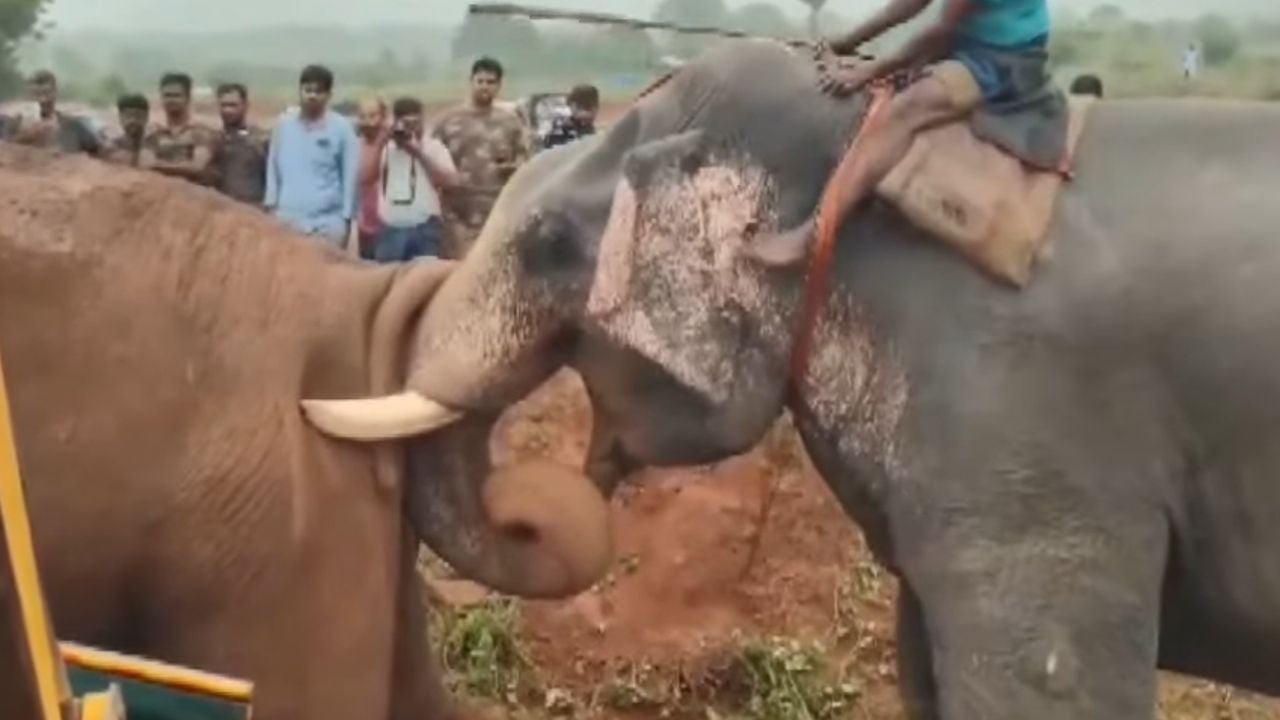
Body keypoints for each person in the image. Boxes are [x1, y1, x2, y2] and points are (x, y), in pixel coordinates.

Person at [749, 0, 1052, 265]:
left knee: (905, 110)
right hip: (974, 37)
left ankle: (813, 235)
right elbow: (911, 2)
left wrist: (867, 72)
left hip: (1001, 60)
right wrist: (846, 43)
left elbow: (942, 33)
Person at [431, 56, 531, 258]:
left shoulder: (510, 123)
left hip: (497, 214)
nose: (485, 87)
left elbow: (526, 164)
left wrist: (513, 167)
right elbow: (432, 164)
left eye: (491, 82)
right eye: (480, 81)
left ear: (499, 86)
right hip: (457, 217)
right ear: (471, 82)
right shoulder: (448, 122)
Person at [264, 64, 360, 248]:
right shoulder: (283, 125)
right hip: (287, 220)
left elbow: (350, 176)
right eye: (308, 90)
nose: (312, 96)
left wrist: (346, 219)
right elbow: (273, 167)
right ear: (300, 91)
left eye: (319, 91)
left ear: (329, 95)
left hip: (327, 223)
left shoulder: (342, 128)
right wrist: (271, 206)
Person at [370, 97, 459, 262]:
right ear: (395, 123)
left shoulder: (433, 147)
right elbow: (366, 178)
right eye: (406, 124)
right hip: (390, 228)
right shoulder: (385, 149)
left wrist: (418, 153)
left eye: (415, 123)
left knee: (424, 282)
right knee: (388, 283)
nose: (411, 129)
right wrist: (380, 142)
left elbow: (451, 182)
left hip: (424, 228)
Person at [139, 72, 216, 184]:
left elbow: (197, 167)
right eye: (167, 95)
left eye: (176, 95)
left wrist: (157, 165)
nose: (171, 100)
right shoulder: (153, 134)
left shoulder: (202, 133)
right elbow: (145, 164)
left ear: (188, 98)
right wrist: (183, 166)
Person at [4, 70, 102, 155]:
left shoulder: (75, 127)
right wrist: (24, 136)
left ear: (56, 94)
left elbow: (106, 155)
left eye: (46, 94)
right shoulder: (10, 126)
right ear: (27, 96)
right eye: (36, 95)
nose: (42, 100)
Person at [208, 82, 269, 206]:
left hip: (255, 210)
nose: (228, 110)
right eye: (224, 105)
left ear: (245, 106)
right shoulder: (213, 140)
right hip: (223, 210)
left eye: (233, 105)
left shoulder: (261, 140)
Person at [354, 96, 388, 259]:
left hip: (391, 225)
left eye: (373, 116)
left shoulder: (394, 144)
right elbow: (364, 177)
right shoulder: (355, 145)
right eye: (363, 116)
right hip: (366, 225)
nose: (368, 122)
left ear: (383, 117)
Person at [542, 83, 599, 149]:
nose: (588, 113)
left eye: (594, 107)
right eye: (585, 107)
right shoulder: (563, 130)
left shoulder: (586, 126)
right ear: (570, 106)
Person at [103, 93, 151, 166]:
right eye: (128, 116)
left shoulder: (156, 145)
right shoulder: (111, 148)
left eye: (138, 116)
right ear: (120, 118)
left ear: (146, 117)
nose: (133, 120)